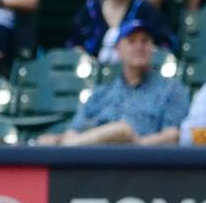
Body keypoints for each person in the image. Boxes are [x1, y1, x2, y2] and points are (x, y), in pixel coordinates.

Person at [40, 21, 189, 146]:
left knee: (121, 130)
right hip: (94, 159)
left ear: (152, 48)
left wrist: (135, 143)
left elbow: (173, 135)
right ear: (118, 49)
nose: (139, 47)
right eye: (132, 41)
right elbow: (75, 129)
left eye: (145, 41)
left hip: (143, 164)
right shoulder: (101, 93)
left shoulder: (170, 89)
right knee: (45, 140)